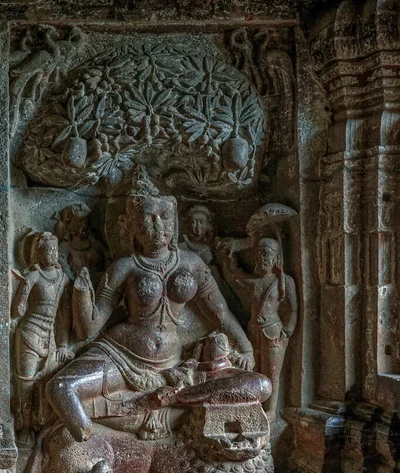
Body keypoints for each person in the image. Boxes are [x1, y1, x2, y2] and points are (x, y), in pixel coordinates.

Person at [46, 174, 269, 446]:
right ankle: (89, 441)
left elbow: (219, 313)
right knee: (60, 387)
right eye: (147, 218)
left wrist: (245, 348)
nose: (157, 225)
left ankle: (162, 401)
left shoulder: (192, 263)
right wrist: (81, 293)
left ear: (174, 222)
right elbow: (88, 329)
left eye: (164, 216)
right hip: (121, 355)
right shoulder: (125, 267)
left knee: (260, 385)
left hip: (175, 365)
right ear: (132, 226)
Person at [220, 237, 297, 417]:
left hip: (273, 332)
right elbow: (235, 273)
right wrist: (230, 255)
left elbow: (292, 309)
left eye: (266, 255)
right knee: (254, 370)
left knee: (271, 373)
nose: (261, 259)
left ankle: (270, 410)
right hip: (254, 330)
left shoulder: (284, 282)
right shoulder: (255, 281)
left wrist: (287, 330)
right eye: (259, 254)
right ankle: (254, 403)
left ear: (276, 259)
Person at [11, 232, 73, 445]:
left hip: (50, 337)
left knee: (48, 380)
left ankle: (43, 425)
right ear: (38, 253)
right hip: (29, 333)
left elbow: (64, 316)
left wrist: (63, 344)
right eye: (48, 250)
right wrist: (24, 286)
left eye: (56, 250)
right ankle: (25, 427)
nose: (53, 254)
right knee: (26, 383)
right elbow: (17, 310)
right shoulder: (33, 277)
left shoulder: (63, 279)